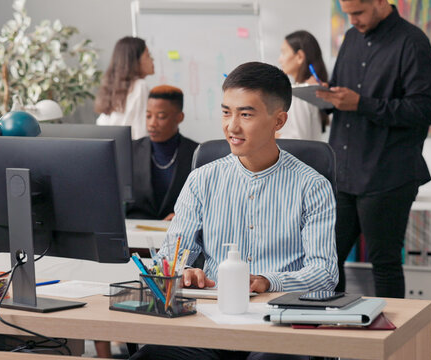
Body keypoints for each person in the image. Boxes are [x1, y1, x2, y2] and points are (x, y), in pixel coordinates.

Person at [130, 62, 337, 360]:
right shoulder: (202, 179)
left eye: (246, 114)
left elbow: (324, 274)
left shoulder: (311, 186)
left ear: (279, 121)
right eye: (226, 112)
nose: (232, 126)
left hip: (278, 324)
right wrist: (184, 273)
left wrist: (268, 281)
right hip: (212, 323)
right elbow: (168, 258)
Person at [315, 0, 431, 299]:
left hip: (388, 175)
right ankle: (338, 338)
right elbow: (345, 94)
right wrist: (326, 94)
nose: (353, 20)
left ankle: (391, 345)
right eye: (348, 14)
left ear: (381, 2)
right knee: (327, 260)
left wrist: (361, 104)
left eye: (358, 12)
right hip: (343, 172)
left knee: (384, 263)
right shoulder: (351, 38)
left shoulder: (412, 42)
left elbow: (424, 110)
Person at [126, 85, 199, 221]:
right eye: (148, 116)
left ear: (179, 117)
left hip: (179, 234)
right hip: (135, 235)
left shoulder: (197, 153)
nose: (152, 123)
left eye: (161, 117)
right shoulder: (130, 150)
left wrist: (185, 216)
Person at [95, 36, 155, 140]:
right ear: (135, 61)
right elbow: (140, 131)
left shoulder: (111, 88)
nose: (152, 59)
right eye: (147, 55)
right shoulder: (140, 86)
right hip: (130, 151)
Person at [277, 30, 329, 141]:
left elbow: (299, 140)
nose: (280, 59)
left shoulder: (300, 93)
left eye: (284, 53)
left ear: (300, 56)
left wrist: (273, 136)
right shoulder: (308, 91)